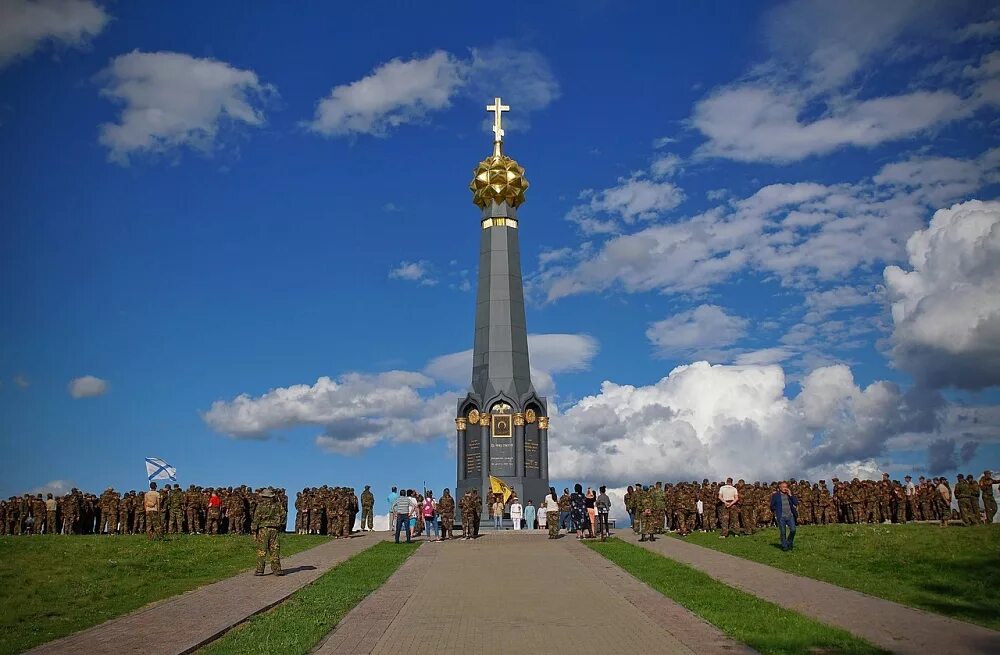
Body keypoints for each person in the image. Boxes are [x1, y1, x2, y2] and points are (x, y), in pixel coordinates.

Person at [252, 488, 284, 576]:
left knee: (262, 550)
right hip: (274, 529)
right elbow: (283, 515)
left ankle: (260, 570)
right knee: (275, 549)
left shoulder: (260, 506)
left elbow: (256, 519)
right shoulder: (278, 505)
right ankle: (277, 569)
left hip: (263, 529)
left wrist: (254, 531)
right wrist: (280, 524)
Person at [770, 481, 799, 551]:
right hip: (781, 516)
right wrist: (776, 512)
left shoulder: (789, 495)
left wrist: (790, 495)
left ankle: (789, 542)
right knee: (783, 532)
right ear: (780, 488)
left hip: (790, 515)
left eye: (786, 487)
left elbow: (796, 502)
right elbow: (772, 506)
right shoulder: (775, 495)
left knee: (793, 530)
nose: (785, 488)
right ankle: (784, 545)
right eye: (783, 487)